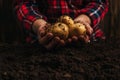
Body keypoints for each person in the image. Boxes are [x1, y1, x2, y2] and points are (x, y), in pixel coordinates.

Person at [14, 0, 108, 50]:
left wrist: (84, 19)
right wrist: (40, 26)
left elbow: (99, 1)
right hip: (42, 45)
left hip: (90, 42)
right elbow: (24, 4)